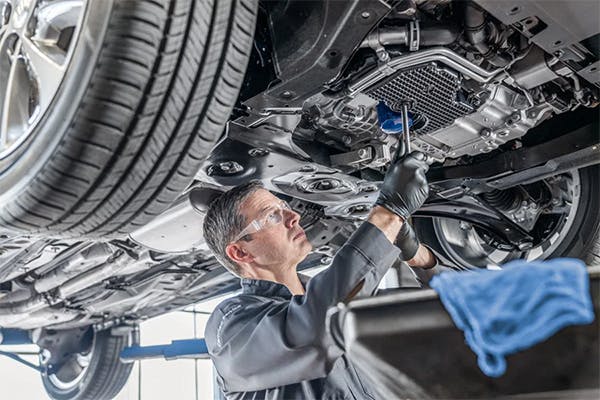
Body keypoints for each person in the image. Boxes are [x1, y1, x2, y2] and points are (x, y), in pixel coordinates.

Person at [203, 152, 439, 399]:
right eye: (271, 216)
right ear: (240, 252)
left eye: (284, 208)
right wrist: (388, 213)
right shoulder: (230, 326)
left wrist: (417, 254)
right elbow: (318, 329)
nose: (294, 217)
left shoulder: (347, 302)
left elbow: (451, 307)